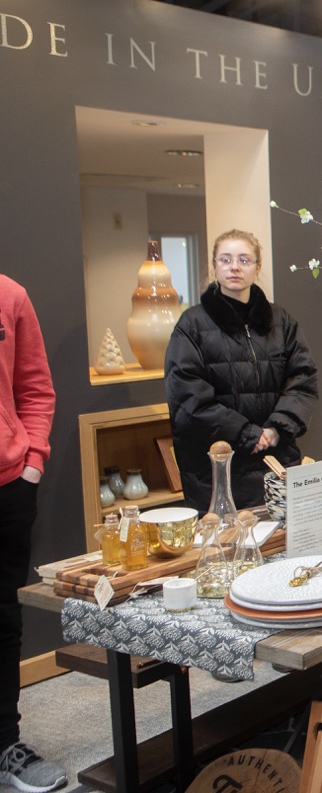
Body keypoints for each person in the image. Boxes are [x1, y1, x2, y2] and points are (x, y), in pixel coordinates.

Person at [165, 229, 319, 510]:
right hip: (218, 468)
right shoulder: (192, 324)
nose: (234, 267)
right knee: (227, 548)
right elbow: (188, 398)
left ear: (257, 267)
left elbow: (303, 380)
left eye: (244, 260)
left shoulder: (281, 320)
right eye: (225, 259)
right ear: (214, 266)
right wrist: (247, 434)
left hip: (277, 457)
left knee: (283, 544)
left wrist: (275, 428)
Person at [0, 276, 65, 793]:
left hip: (8, 487)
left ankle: (5, 742)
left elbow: (35, 388)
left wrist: (33, 462)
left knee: (3, 620)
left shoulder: (11, 295)